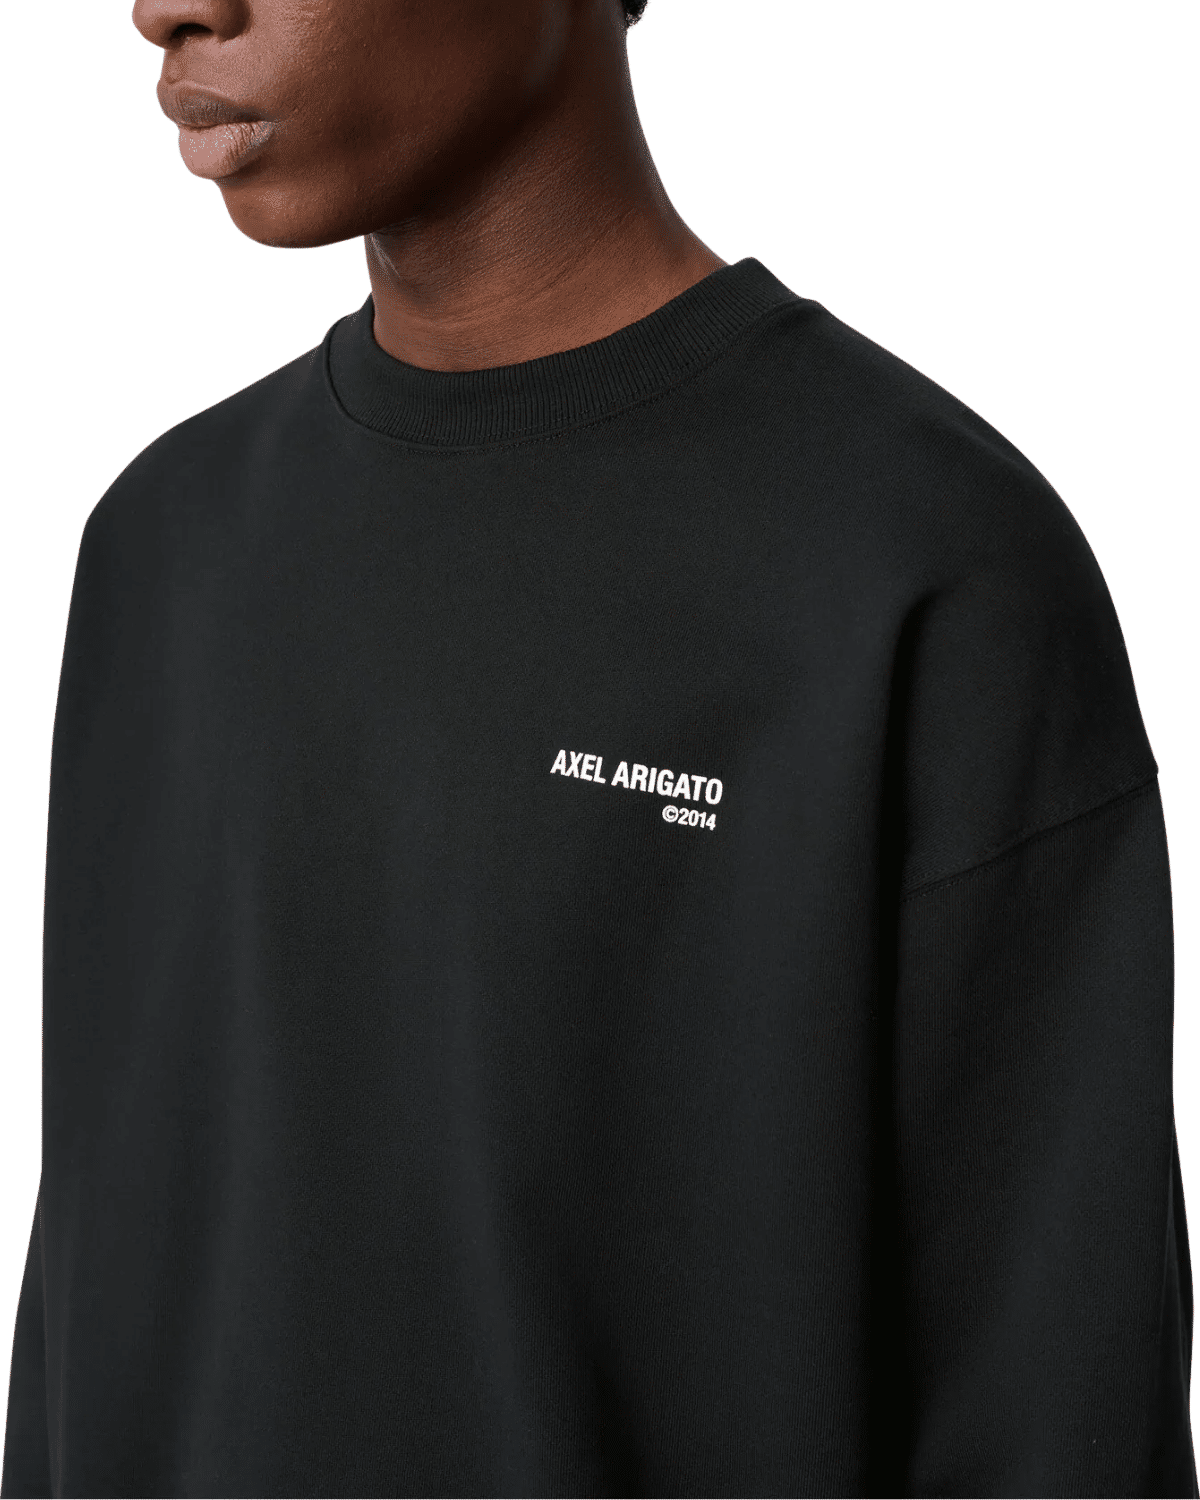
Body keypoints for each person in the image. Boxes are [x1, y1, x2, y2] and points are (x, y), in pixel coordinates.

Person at [1, 0, 1194, 1494]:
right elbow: (97, 1301)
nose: (166, 8)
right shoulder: (162, 546)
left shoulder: (922, 562)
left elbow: (1061, 1413)